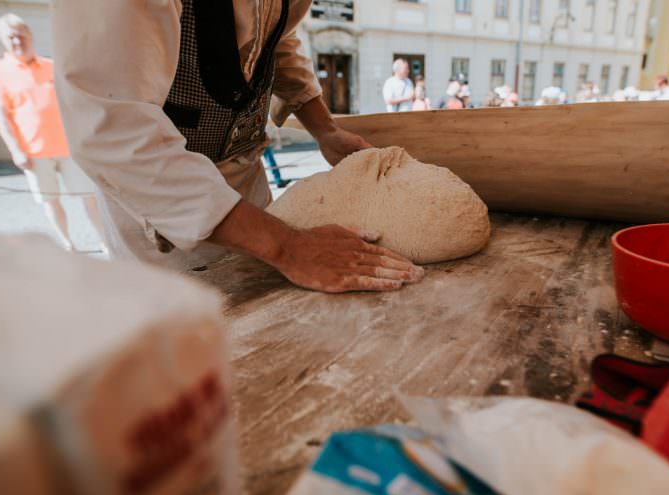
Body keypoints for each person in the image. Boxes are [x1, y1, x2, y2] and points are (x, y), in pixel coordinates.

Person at [53, 0, 423, 293]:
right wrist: (289, 246)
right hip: (162, 204)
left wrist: (325, 129)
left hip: (247, 182)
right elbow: (112, 127)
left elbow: (273, 39)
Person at [0, 14, 106, 253]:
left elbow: (74, 105)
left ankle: (106, 242)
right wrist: (16, 150)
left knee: (90, 197)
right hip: (34, 152)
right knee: (51, 201)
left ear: (30, 35)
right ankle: (68, 245)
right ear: (1, 40)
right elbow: (2, 118)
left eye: (21, 34)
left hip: (70, 147)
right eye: (11, 36)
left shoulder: (53, 66)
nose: (17, 40)